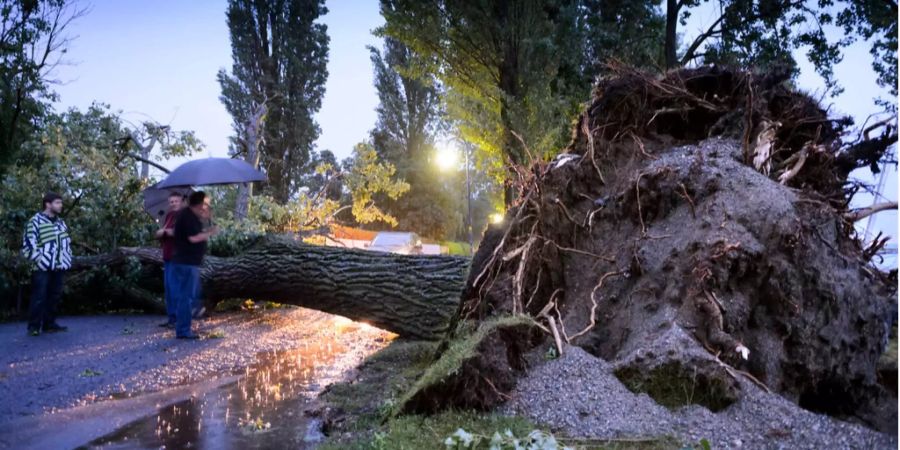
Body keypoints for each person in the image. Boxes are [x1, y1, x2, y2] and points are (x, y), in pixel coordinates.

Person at [21, 192, 72, 336]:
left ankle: (49, 324)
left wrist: (67, 259)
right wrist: (41, 260)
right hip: (41, 267)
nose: (60, 205)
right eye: (57, 203)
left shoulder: (61, 223)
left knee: (54, 296)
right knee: (39, 296)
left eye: (61, 203)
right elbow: (28, 246)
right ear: (48, 204)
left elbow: (66, 243)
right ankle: (34, 327)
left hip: (59, 266)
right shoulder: (34, 221)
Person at [170, 191, 218, 339]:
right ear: (200, 204)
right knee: (186, 297)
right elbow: (192, 238)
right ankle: (183, 330)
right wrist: (210, 233)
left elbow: (197, 232)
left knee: (191, 294)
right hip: (186, 263)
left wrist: (207, 223)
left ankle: (190, 319)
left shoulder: (191, 216)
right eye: (205, 204)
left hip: (189, 263)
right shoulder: (187, 216)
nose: (206, 207)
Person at [156, 192, 184, 328]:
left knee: (175, 289)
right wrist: (160, 233)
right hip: (167, 256)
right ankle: (171, 318)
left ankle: (179, 319)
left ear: (181, 201)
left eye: (176, 201)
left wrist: (165, 232)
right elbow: (165, 232)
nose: (173, 203)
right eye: (171, 201)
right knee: (168, 289)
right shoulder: (169, 215)